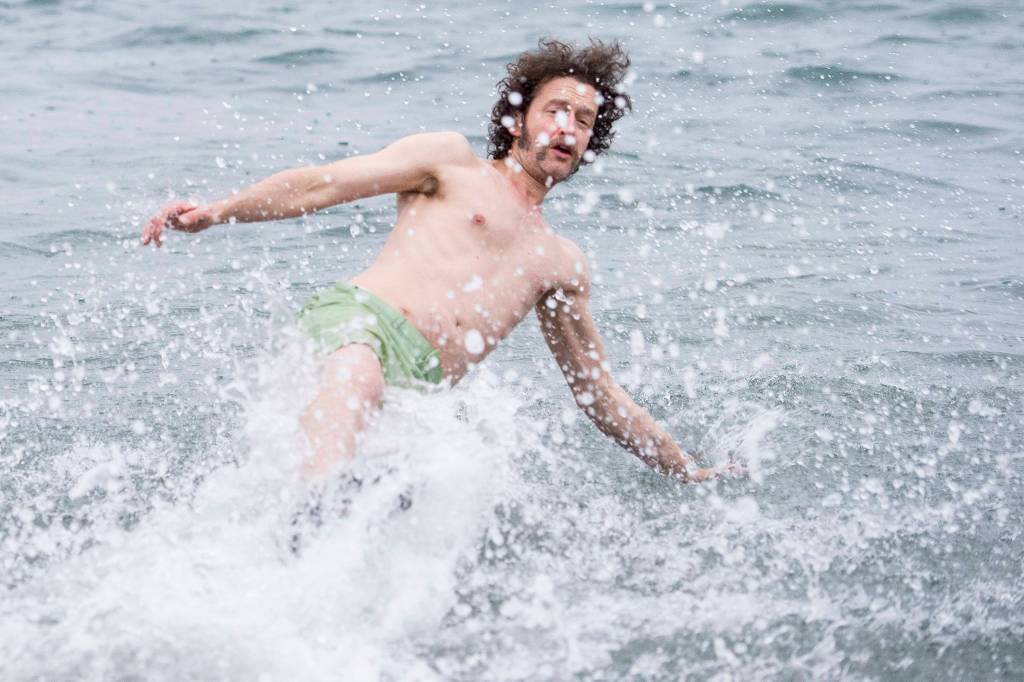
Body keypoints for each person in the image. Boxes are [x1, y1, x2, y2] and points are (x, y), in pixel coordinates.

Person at [142, 38, 736, 482]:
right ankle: (310, 513)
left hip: (419, 389)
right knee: (357, 378)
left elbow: (598, 393)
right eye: (555, 110)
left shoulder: (561, 263)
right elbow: (324, 185)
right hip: (360, 322)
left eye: (584, 121)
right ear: (519, 118)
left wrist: (685, 467)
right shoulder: (450, 163)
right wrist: (218, 211)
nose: (568, 128)